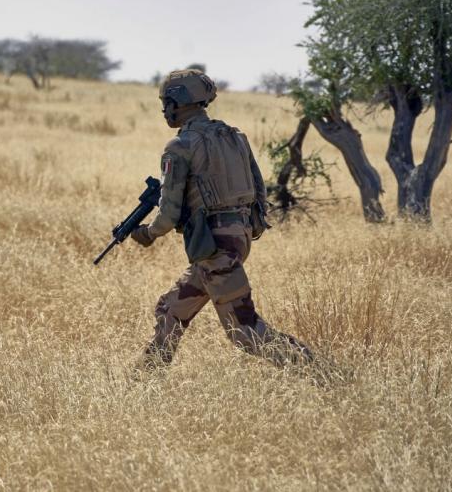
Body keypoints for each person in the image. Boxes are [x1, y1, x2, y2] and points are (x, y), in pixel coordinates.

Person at [130, 69, 314, 370]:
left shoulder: (180, 146)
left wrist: (148, 233)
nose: (164, 109)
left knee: (244, 331)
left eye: (166, 102)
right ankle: (143, 382)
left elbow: (168, 213)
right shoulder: (234, 136)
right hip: (234, 239)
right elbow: (258, 187)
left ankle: (318, 371)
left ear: (178, 102)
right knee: (171, 310)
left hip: (214, 247)